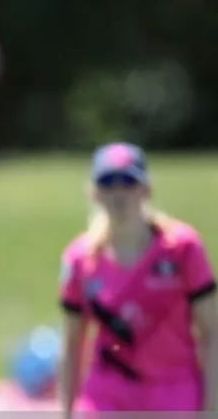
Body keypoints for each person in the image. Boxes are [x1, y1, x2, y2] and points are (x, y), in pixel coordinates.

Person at [58, 142, 218, 414]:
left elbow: (211, 332)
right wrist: (66, 410)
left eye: (128, 183)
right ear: (94, 193)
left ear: (146, 190)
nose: (119, 194)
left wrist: (212, 407)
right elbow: (73, 342)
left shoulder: (183, 249)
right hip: (107, 395)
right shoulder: (80, 259)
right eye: (108, 183)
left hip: (173, 390)